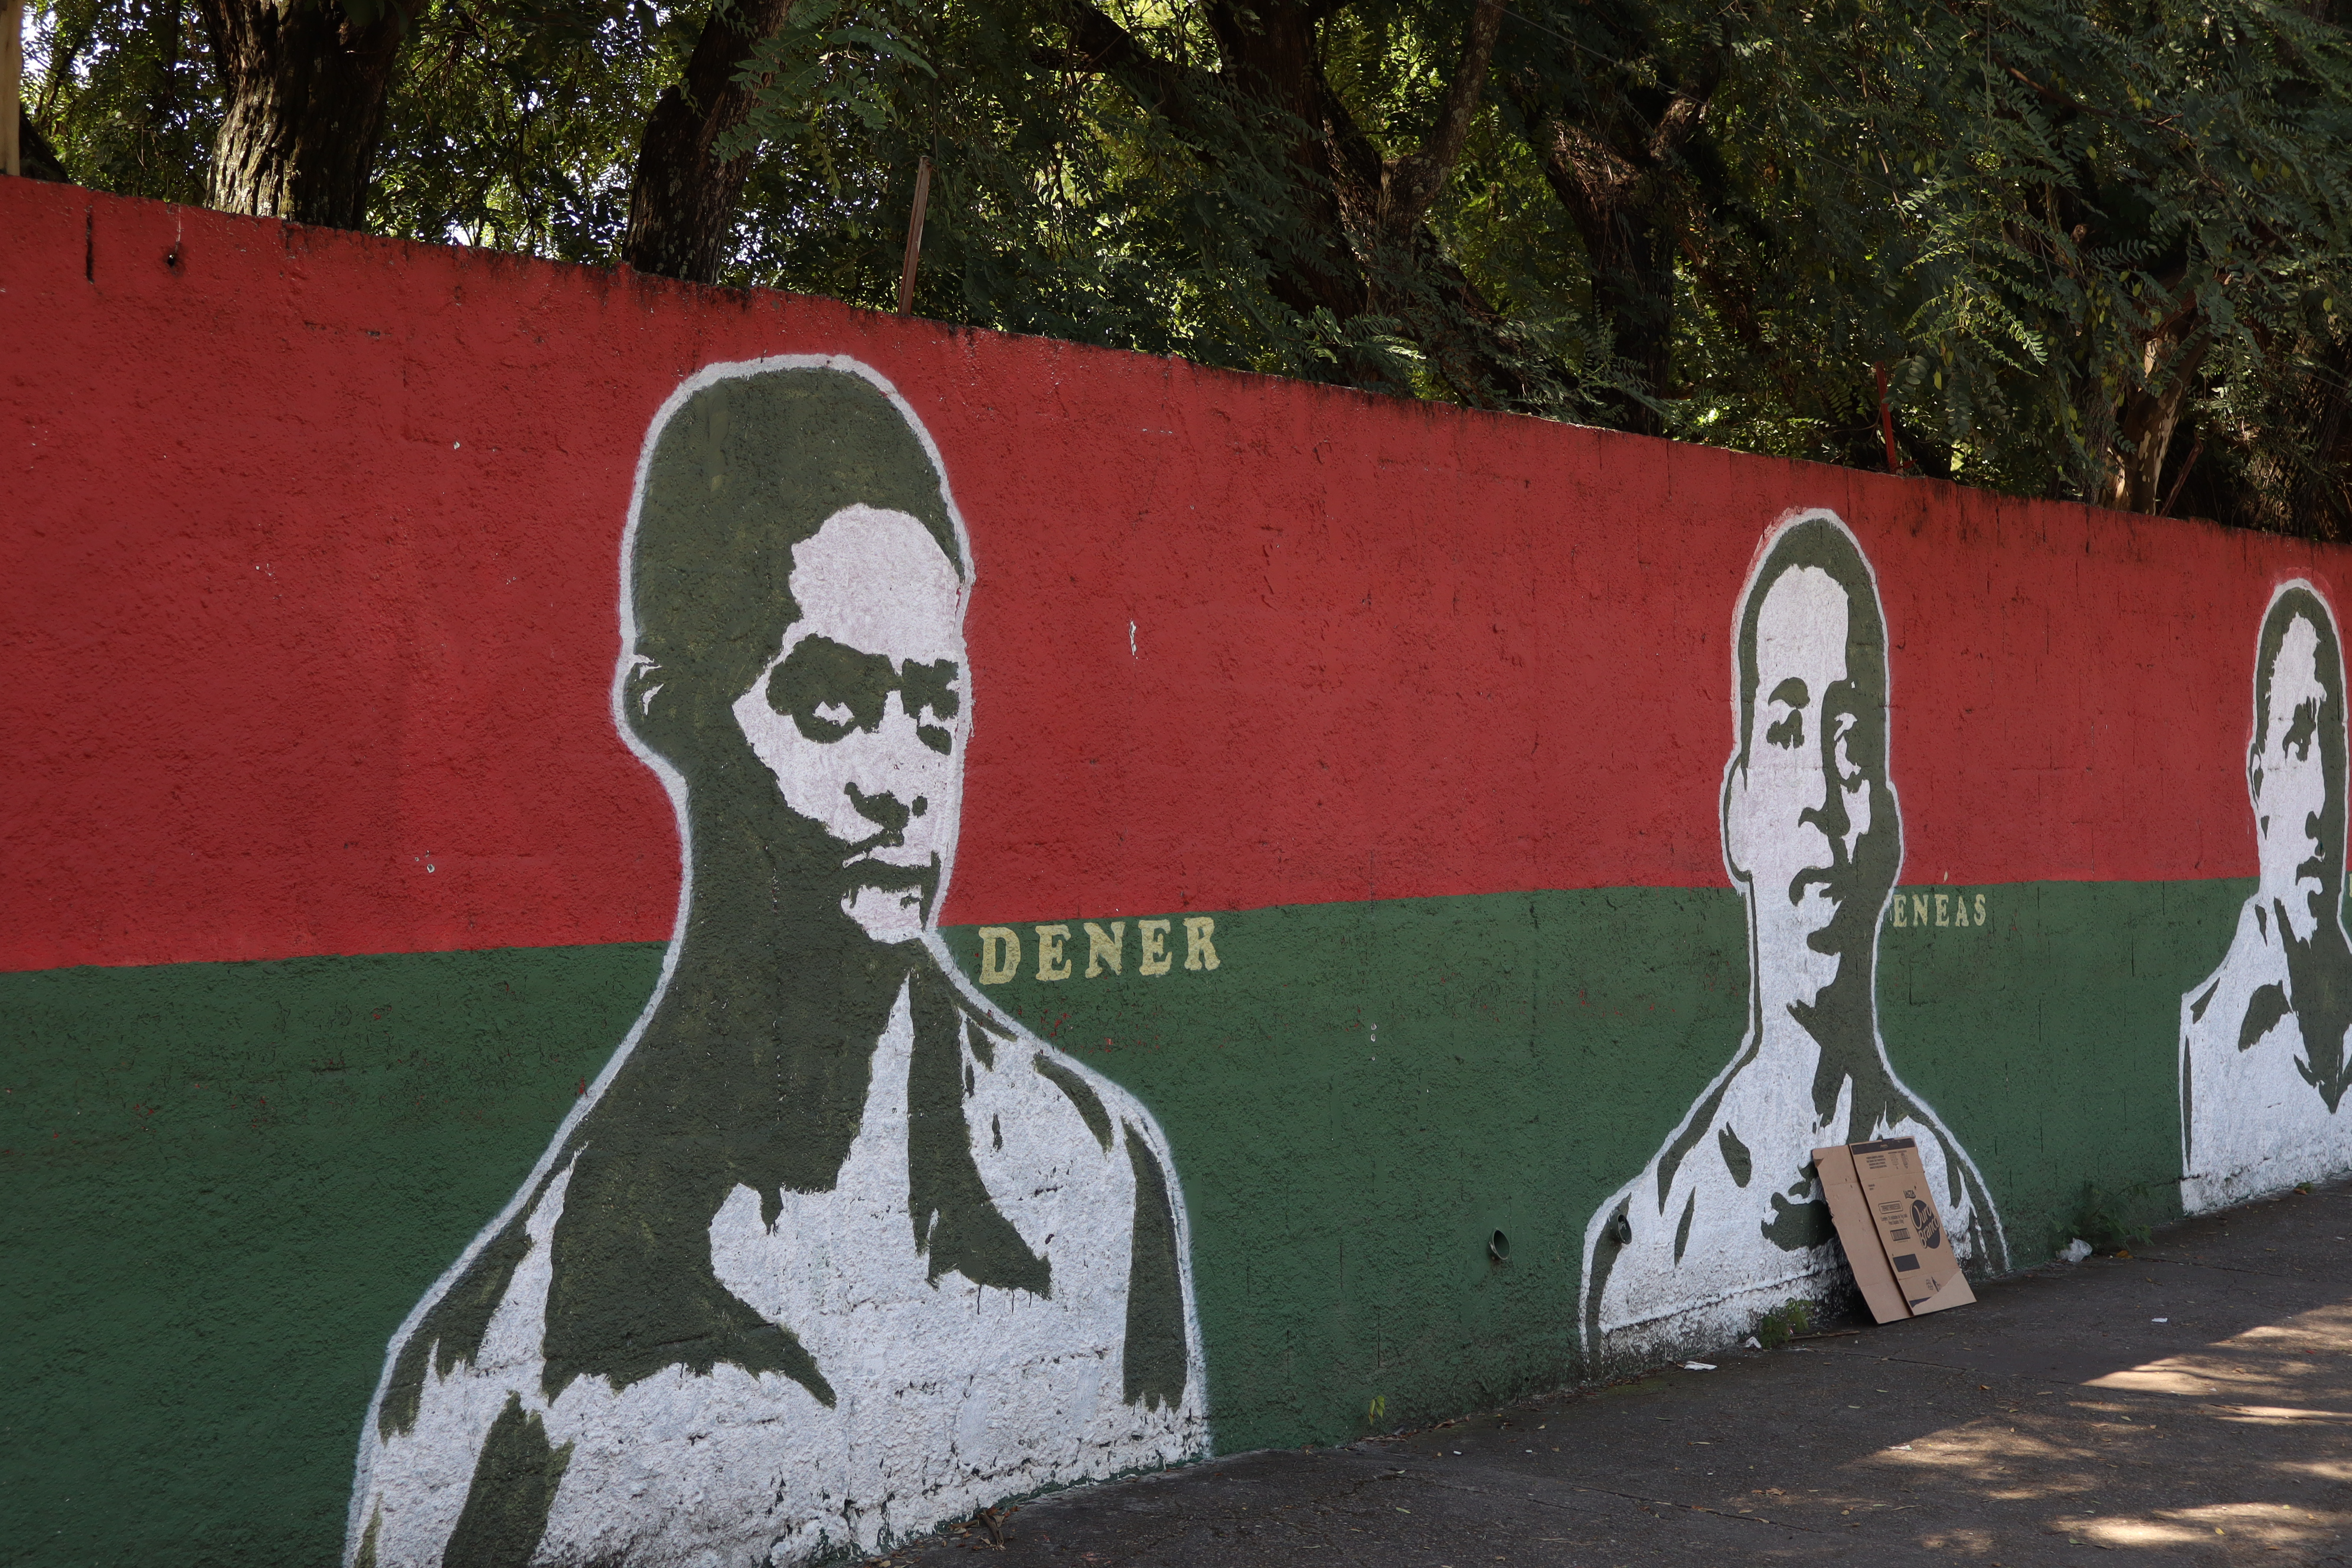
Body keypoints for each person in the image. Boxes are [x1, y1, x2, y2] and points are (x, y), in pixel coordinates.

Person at [347, 358, 1207, 1568]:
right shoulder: (496, 1378)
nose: (901, 774)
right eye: (832, 699)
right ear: (670, 706)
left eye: (935, 706)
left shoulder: (1100, 1175)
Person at [1580, 511, 2005, 1368]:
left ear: (1888, 828)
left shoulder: (1952, 1198)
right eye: (1786, 728)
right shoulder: (1652, 1241)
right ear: (1736, 814)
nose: (1820, 797)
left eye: (1850, 743)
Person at [2180, 582, 2352, 1213]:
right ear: (2258, 781)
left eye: (2332, 747)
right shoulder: (2212, 1031)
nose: (2321, 803)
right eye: (2299, 745)